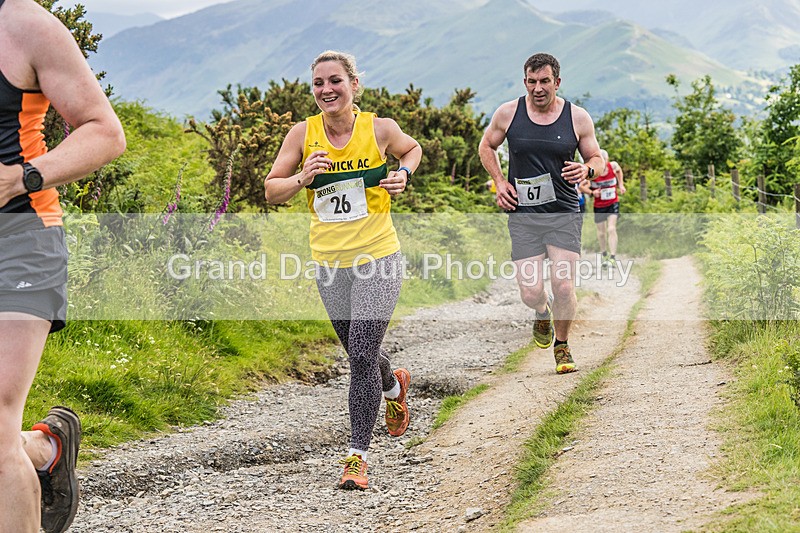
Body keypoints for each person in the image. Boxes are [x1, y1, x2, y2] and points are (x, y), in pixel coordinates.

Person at [265, 50, 421, 490]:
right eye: (318, 83)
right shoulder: (302, 134)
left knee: (362, 354)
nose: (326, 89)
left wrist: (404, 174)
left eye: (335, 80)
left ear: (354, 84)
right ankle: (393, 386)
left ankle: (357, 457)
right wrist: (302, 178)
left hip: (378, 257)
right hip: (330, 264)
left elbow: (412, 149)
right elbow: (272, 190)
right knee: (360, 353)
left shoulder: (379, 129)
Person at [0, 1, 126, 532]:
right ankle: (42, 449)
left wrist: (21, 178)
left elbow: (105, 132)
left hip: (20, 240)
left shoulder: (25, 25)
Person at [479, 52, 603, 374]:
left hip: (563, 213)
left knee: (563, 286)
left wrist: (587, 170)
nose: (538, 88)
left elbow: (597, 158)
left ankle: (562, 345)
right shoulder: (508, 113)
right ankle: (541, 311)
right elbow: (486, 146)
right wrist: (500, 182)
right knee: (531, 292)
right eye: (532, 82)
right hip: (523, 216)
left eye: (545, 81)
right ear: (525, 82)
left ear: (557, 82)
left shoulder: (577, 118)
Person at [589, 149, 625, 268]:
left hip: (612, 203)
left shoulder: (613, 166)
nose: (603, 163)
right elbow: (582, 187)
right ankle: (604, 254)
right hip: (599, 206)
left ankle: (613, 257)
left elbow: (619, 170)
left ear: (607, 159)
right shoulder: (593, 172)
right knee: (601, 233)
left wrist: (621, 184)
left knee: (611, 228)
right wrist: (592, 192)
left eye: (604, 160)